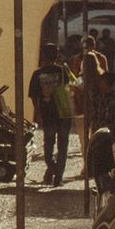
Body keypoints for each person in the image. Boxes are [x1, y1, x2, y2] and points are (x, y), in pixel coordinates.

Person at [28, 43, 74, 186]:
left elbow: (33, 96)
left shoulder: (37, 74)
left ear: (43, 56)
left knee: (48, 144)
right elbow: (73, 89)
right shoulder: (63, 71)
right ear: (57, 55)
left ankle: (52, 165)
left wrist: (38, 112)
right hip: (64, 113)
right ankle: (58, 175)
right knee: (63, 145)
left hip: (48, 113)